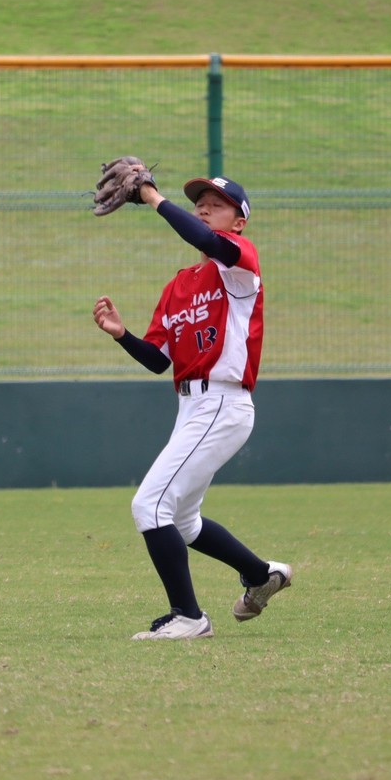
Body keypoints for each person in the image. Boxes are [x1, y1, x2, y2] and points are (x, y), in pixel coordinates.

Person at [92, 174, 292, 640]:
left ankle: (189, 617)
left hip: (224, 403)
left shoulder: (241, 266)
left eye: (216, 204)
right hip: (190, 407)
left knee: (149, 506)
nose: (203, 208)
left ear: (238, 223)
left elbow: (201, 237)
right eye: (199, 201)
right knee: (181, 521)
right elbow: (160, 361)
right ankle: (262, 574)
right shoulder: (179, 285)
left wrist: (151, 197)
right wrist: (123, 336)